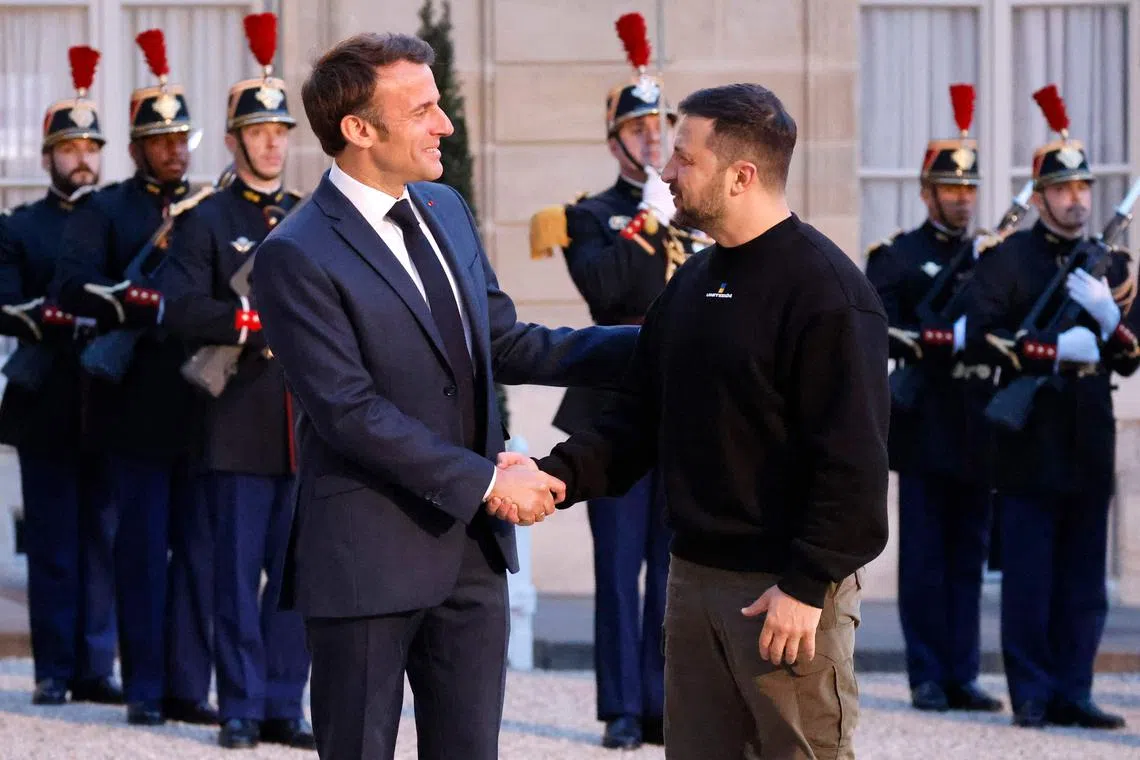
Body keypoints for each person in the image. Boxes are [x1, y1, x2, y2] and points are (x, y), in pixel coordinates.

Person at [252, 32, 638, 760]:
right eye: (422, 109)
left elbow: (505, 341)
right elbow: (349, 412)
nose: (446, 124)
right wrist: (489, 483)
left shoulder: (445, 207)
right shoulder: (294, 254)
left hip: (470, 556)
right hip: (367, 557)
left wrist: (658, 344)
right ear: (359, 130)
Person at [498, 83, 889, 760]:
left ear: (741, 176)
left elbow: (853, 466)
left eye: (684, 158)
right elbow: (639, 418)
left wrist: (804, 586)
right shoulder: (694, 280)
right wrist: (552, 476)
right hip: (694, 579)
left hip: (783, 591)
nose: (666, 171)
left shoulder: (827, 291)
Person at [528, 49, 710, 753]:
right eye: (637, 129)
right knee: (617, 566)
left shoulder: (695, 211)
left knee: (674, 569)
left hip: (686, 408)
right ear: (615, 142)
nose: (651, 138)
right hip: (614, 408)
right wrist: (649, 222)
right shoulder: (588, 216)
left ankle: (665, 703)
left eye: (659, 127)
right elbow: (605, 292)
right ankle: (621, 708)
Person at [49, 29, 216, 727]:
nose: (175, 150)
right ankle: (145, 689)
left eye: (181, 139)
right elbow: (72, 286)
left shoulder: (209, 209)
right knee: (143, 554)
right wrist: (137, 301)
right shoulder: (106, 210)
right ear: (137, 146)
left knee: (201, 557)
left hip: (203, 405)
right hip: (134, 407)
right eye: (161, 140)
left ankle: (188, 687)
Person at [159, 13, 313, 750]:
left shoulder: (311, 218)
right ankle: (241, 707)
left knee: (294, 577)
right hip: (235, 421)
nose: (272, 143)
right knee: (233, 575)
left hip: (302, 425)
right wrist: (250, 322)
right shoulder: (205, 219)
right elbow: (180, 308)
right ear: (234, 140)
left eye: (280, 131)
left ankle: (285, 704)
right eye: (258, 131)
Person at [964, 84, 1137, 730]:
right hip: (1030, 434)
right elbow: (981, 334)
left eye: (1084, 187)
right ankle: (1032, 693)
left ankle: (1075, 688)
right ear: (1038, 198)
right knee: (1031, 574)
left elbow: (1131, 356)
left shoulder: (1114, 265)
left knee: (1084, 578)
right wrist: (1051, 350)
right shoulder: (1009, 258)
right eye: (1063, 190)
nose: (1077, 199)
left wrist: (1108, 319)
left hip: (1088, 431)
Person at [864, 84, 1002, 714]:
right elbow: (876, 324)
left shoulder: (991, 256)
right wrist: (931, 336)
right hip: (925, 421)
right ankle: (926, 673)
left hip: (977, 418)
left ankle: (963, 673)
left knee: (970, 556)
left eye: (969, 189)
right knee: (925, 557)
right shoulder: (899, 255)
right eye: (951, 188)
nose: (962, 199)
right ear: (927, 193)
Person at [0, 46, 122, 708]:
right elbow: (5, 301)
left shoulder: (117, 218)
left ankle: (95, 666)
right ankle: (53, 667)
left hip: (107, 400)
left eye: (90, 148)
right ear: (48, 156)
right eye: (69, 148)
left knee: (103, 539)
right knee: (53, 541)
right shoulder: (22, 226)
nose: (81, 159)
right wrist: (51, 313)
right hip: (46, 397)